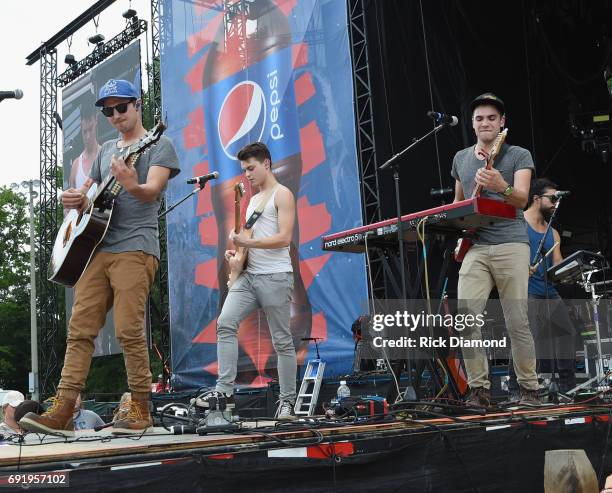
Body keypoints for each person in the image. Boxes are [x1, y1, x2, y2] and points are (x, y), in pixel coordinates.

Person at [20, 79, 180, 437]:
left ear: (137, 105)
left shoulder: (159, 144)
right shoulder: (106, 148)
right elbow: (90, 192)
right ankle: (63, 408)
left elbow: (151, 192)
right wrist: (76, 199)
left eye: (121, 107)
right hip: (97, 249)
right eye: (108, 111)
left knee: (128, 329)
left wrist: (132, 182)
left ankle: (140, 405)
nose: (115, 116)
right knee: (79, 329)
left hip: (136, 248)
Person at [197, 142, 298, 420]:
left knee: (282, 342)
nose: (247, 174)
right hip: (249, 277)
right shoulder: (253, 200)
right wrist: (237, 254)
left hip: (276, 276)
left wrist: (244, 241)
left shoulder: (282, 194)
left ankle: (287, 402)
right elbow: (249, 242)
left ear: (266, 163)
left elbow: (284, 238)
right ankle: (225, 390)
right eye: (244, 170)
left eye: (251, 168)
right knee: (225, 323)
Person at [452, 92, 540, 407]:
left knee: (517, 319)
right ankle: (480, 390)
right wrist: (451, 227)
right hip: (476, 244)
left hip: (511, 242)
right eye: (479, 118)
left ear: (502, 123)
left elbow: (523, 200)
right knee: (466, 318)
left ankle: (529, 389)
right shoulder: (461, 158)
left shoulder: (518, 154)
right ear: (472, 124)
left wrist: (500, 185)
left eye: (492, 118)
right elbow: (459, 204)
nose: (486, 122)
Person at [507, 178, 577, 396]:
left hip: (548, 291)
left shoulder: (553, 233)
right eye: (552, 198)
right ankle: (516, 389)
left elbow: (558, 264)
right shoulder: (518, 224)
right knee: (527, 339)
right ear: (536, 199)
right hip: (526, 292)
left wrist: (574, 269)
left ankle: (567, 388)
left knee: (567, 333)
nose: (556, 202)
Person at [69, 97, 101, 189]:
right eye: (84, 131)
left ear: (96, 121)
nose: (88, 136)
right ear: (81, 125)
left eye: (90, 130)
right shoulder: (76, 166)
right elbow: (72, 201)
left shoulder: (105, 155)